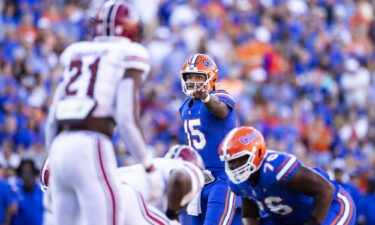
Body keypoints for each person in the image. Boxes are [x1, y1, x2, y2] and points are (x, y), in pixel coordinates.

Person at [45, 1, 156, 225]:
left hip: (59, 147)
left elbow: (51, 119)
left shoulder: (76, 53)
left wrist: (52, 158)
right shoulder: (128, 53)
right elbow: (126, 119)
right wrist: (148, 165)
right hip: (91, 144)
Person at [219, 126, 356, 225]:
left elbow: (326, 190)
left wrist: (313, 223)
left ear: (257, 152)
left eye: (240, 160)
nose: (235, 167)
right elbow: (250, 215)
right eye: (231, 162)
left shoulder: (275, 168)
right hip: (288, 217)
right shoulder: (237, 182)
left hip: (330, 207)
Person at [40, 145, 205, 225]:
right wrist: (172, 214)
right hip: (125, 199)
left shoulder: (139, 171)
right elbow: (180, 179)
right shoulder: (183, 169)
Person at [179, 53, 240, 225]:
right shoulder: (185, 107)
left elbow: (220, 110)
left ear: (210, 77)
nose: (193, 81)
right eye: (190, 77)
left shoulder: (220, 96)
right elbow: (191, 142)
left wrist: (205, 97)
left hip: (222, 178)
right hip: (198, 180)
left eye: (199, 76)